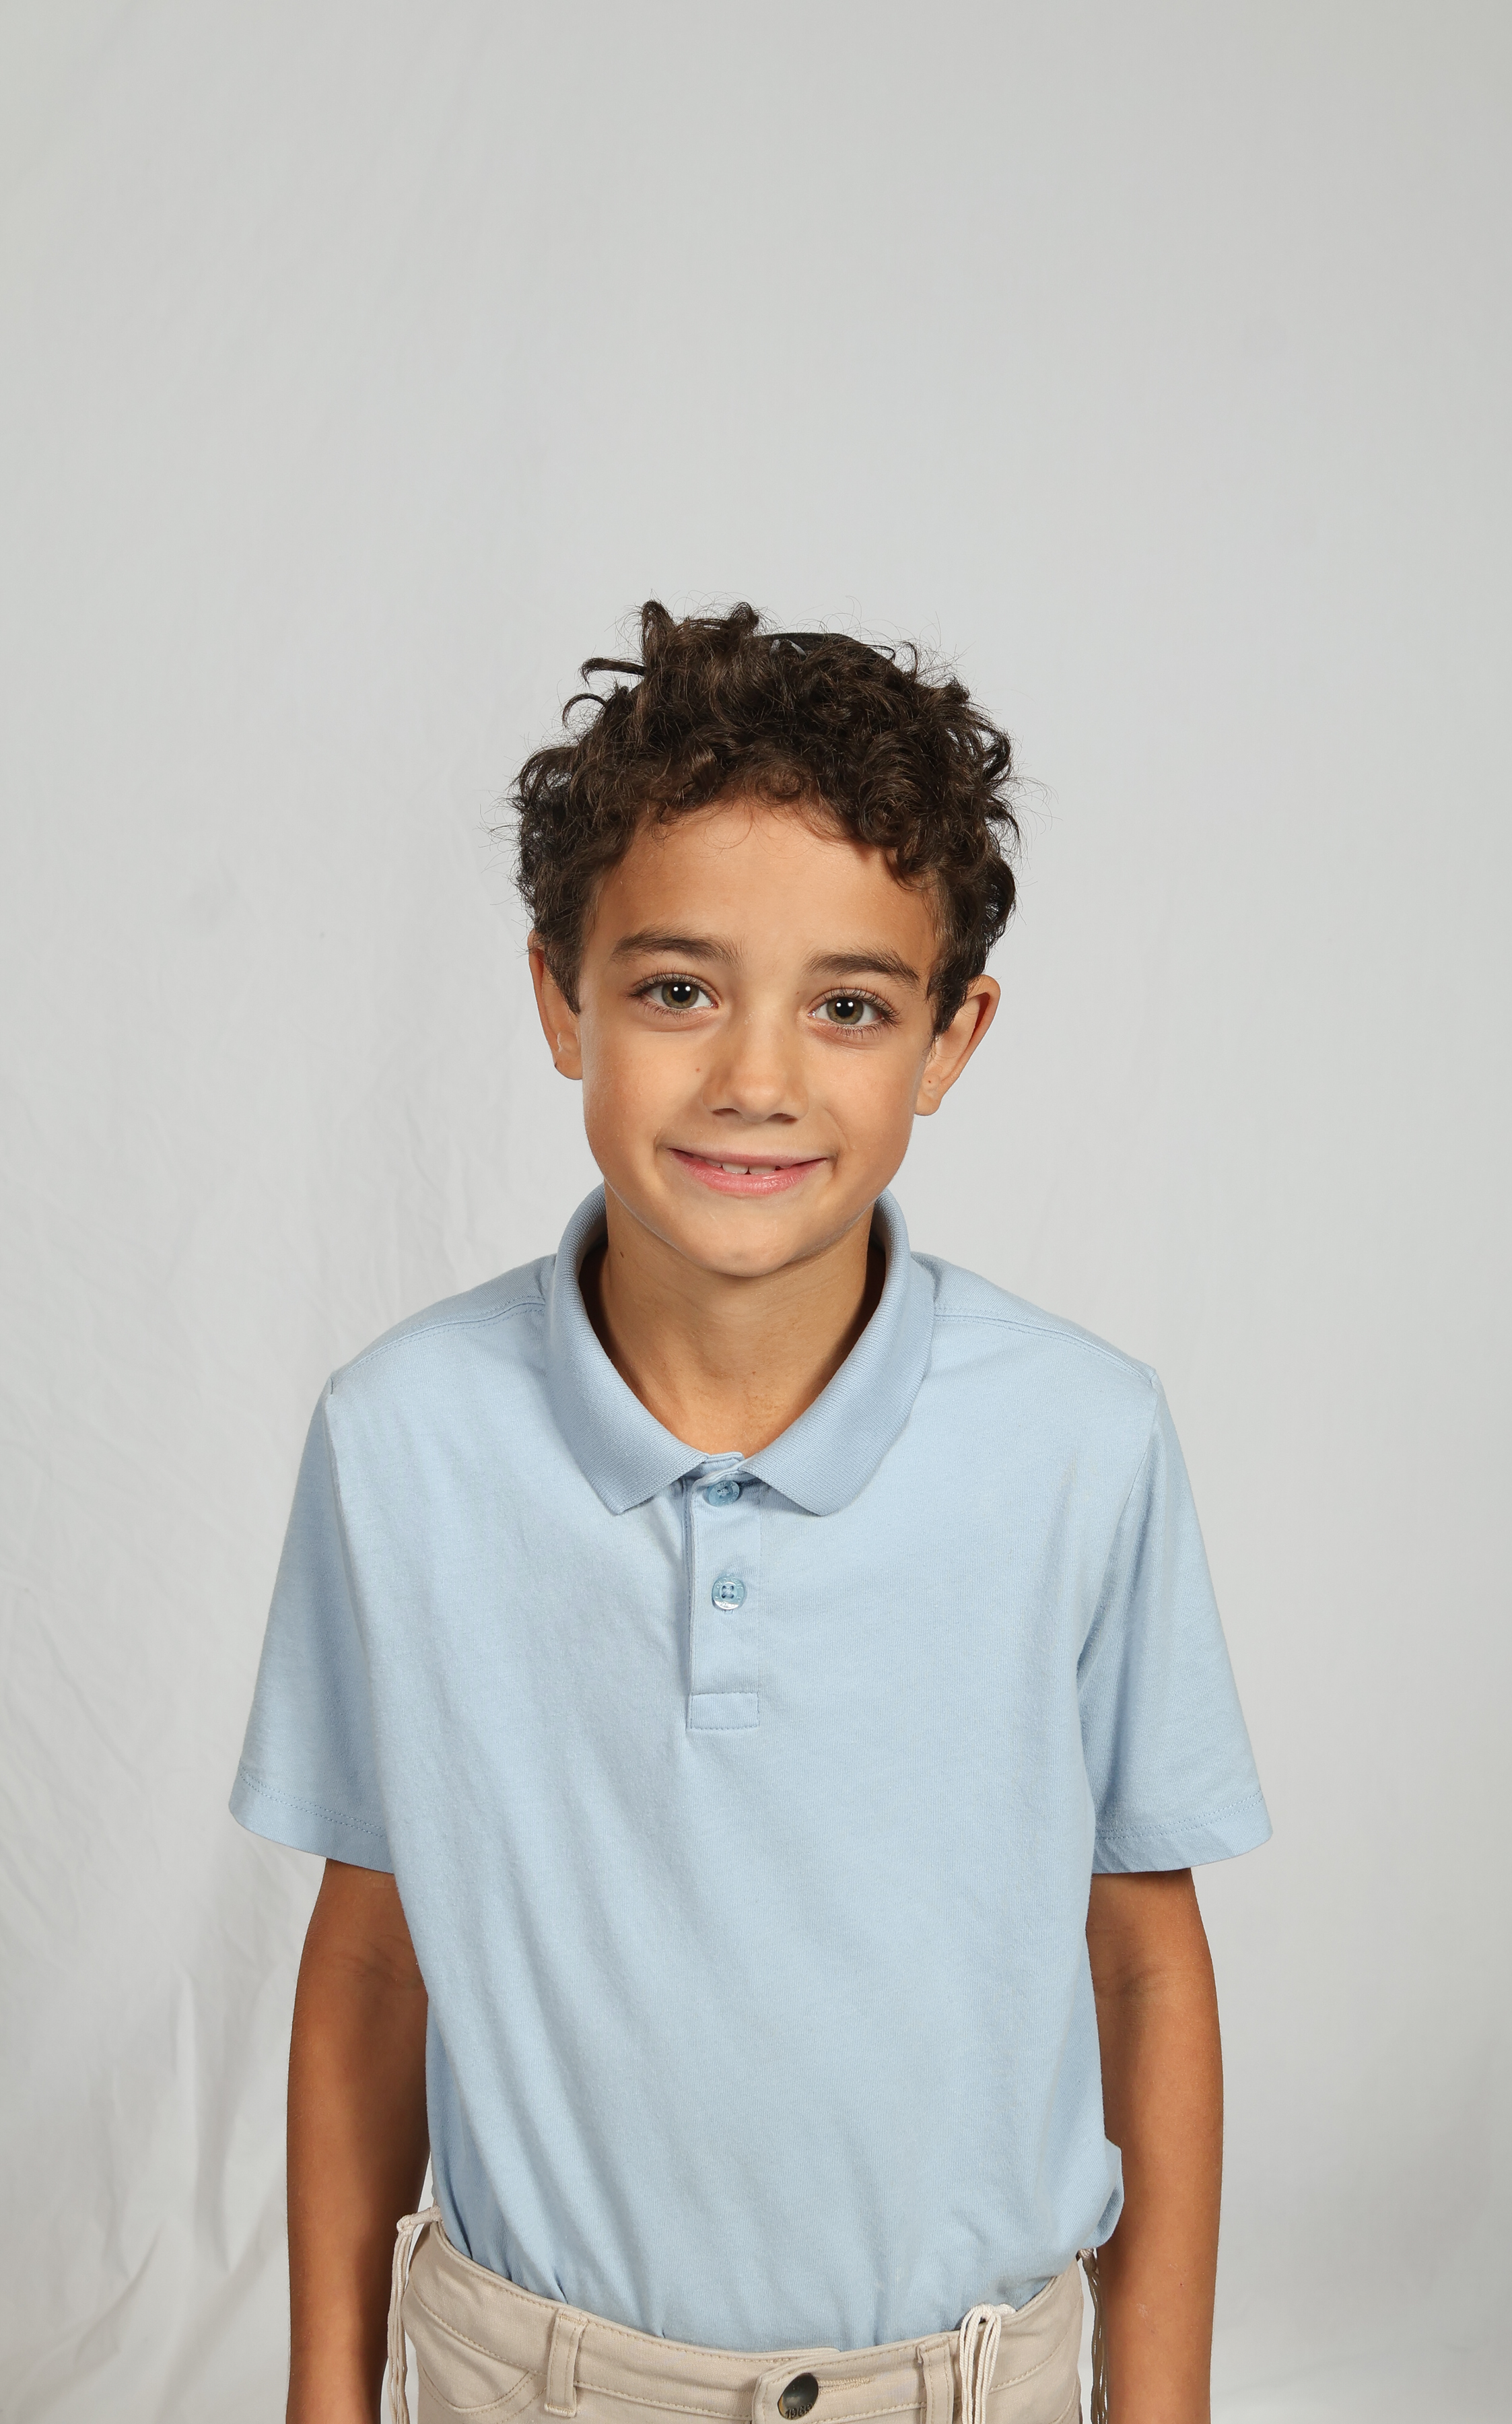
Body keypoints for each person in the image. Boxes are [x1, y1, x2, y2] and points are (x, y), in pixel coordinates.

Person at [230, 601, 1270, 2424]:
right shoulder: (403, 1440)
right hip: (526, 2383)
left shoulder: (1081, 1442)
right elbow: (375, 1953)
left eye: (849, 1006)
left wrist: (1159, 2408)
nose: (757, 1082)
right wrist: (328, 2404)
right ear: (561, 998)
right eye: (677, 990)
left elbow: (1142, 1962)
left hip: (965, 2387)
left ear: (950, 1038)